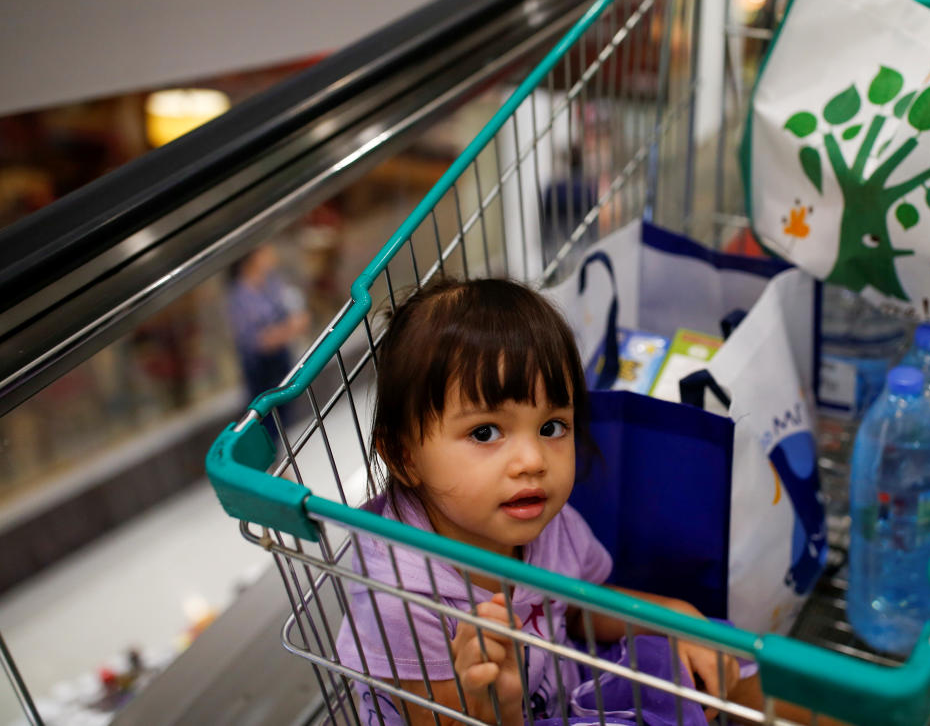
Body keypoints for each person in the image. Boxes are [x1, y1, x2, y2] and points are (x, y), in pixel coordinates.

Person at [334, 278, 812, 726]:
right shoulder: (397, 594)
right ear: (404, 457)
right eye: (485, 432)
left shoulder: (541, 519)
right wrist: (493, 703)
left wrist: (675, 615)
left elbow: (580, 606)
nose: (532, 460)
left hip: (564, 687)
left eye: (552, 427)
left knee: (718, 644)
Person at [225, 244, 309, 434]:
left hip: (280, 360)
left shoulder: (272, 284)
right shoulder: (240, 295)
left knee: (283, 414)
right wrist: (288, 329)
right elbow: (257, 342)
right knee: (266, 419)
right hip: (261, 369)